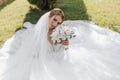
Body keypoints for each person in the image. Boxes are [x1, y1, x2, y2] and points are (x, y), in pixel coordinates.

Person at [0, 8, 120, 80]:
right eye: (54, 20)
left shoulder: (60, 31)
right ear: (49, 17)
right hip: (43, 60)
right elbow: (33, 52)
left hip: (59, 58)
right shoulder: (37, 33)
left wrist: (66, 44)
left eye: (59, 22)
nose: (56, 24)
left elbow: (65, 49)